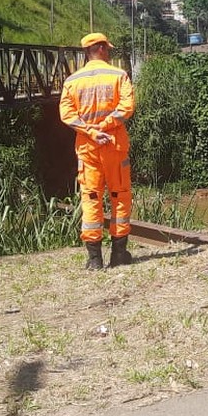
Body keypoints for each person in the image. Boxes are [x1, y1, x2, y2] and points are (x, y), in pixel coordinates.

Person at [59, 33, 136, 269]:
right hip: (114, 145)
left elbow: (67, 115)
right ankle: (119, 255)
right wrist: (106, 125)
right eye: (108, 48)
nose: (109, 51)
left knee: (91, 197)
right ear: (101, 48)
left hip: (87, 148)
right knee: (119, 196)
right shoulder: (118, 75)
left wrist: (91, 131)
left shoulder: (72, 80)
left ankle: (94, 260)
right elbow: (127, 107)